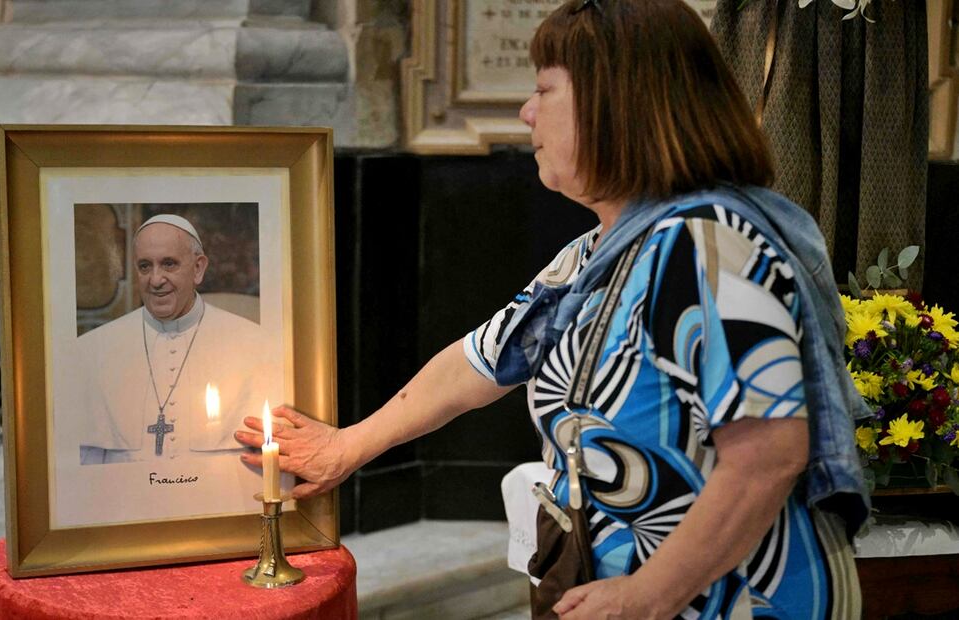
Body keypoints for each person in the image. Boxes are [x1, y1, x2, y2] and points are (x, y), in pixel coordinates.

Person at [237, 1, 869, 617]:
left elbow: (769, 456)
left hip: (737, 600)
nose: (526, 111)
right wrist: (345, 447)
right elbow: (476, 364)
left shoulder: (708, 246)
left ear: (613, 103)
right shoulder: (596, 251)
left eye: (544, 90)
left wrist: (648, 596)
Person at [78, 214, 277, 465]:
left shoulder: (256, 345)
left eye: (169, 264)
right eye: (144, 266)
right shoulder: (92, 350)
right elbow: (84, 468)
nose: (156, 279)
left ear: (198, 268)